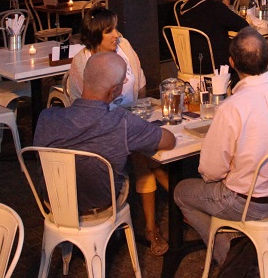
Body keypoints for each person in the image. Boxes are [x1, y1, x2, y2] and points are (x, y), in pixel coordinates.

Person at [174, 30, 268, 271]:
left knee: (181, 191)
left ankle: (229, 254)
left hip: (248, 204)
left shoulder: (232, 107)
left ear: (232, 63)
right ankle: (239, 239)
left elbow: (211, 171)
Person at [35, 53, 177, 251]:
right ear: (114, 91)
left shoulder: (47, 117)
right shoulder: (121, 122)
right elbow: (169, 141)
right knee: (137, 164)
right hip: (101, 204)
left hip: (54, 203)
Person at [181, 0, 248, 68]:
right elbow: (243, 26)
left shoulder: (184, 9)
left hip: (191, 64)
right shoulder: (214, 7)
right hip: (215, 65)